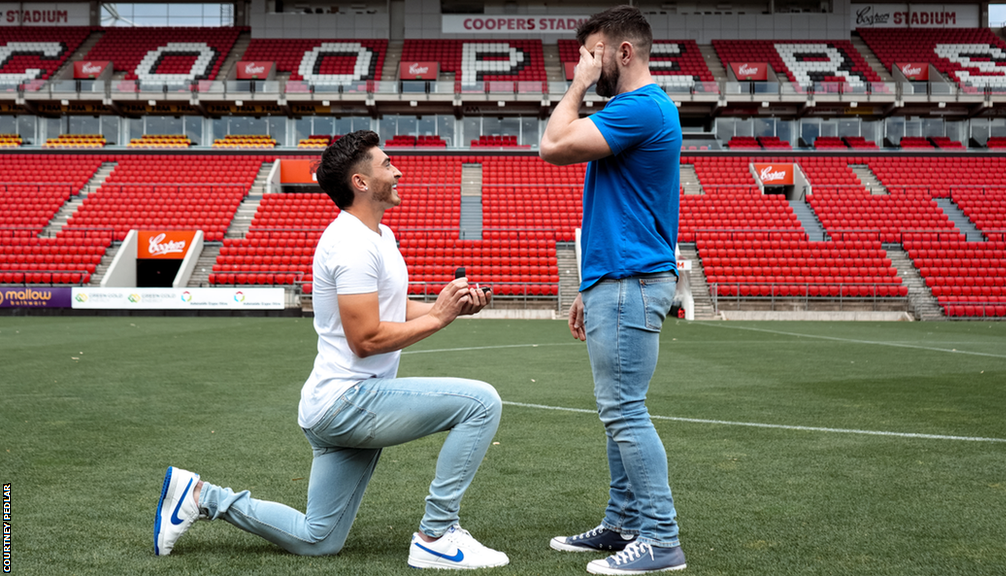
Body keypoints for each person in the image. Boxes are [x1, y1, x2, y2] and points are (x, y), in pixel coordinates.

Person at [154, 130, 508, 571]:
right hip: (347, 402)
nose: (397, 171)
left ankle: (202, 497)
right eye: (386, 164)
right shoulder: (351, 244)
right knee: (480, 402)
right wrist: (436, 318)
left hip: (337, 405)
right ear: (360, 182)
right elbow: (367, 340)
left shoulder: (380, 236)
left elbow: (392, 309)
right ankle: (437, 534)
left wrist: (449, 308)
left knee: (317, 539)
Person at [539, 5, 686, 575]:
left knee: (624, 410)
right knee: (617, 410)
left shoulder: (640, 108)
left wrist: (576, 86)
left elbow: (552, 145)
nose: (585, 64)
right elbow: (616, 209)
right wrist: (588, 286)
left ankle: (661, 538)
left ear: (623, 53)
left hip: (630, 282)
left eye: (592, 53)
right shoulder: (638, 110)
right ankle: (624, 523)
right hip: (616, 279)